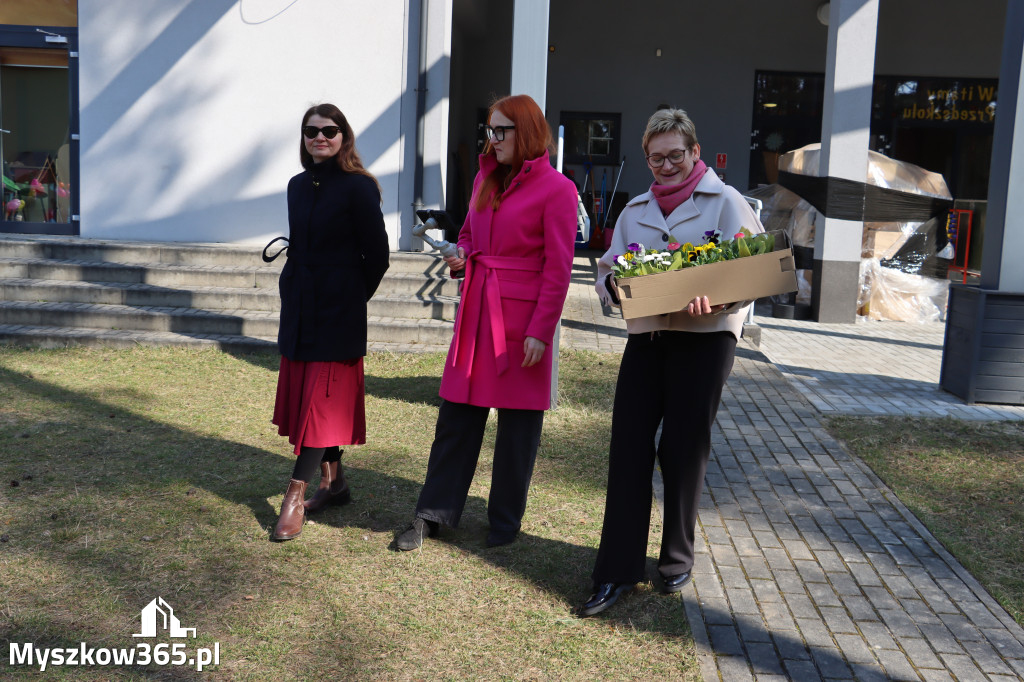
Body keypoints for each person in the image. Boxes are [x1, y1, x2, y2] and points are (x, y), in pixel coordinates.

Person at [579, 108, 765, 615]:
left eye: (675, 155)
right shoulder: (635, 208)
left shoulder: (727, 202)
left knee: (683, 450)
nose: (666, 166)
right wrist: (614, 286)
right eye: (656, 158)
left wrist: (721, 299)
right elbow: (606, 270)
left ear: (695, 152)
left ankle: (676, 558)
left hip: (705, 340)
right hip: (648, 337)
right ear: (646, 159)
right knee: (628, 447)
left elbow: (754, 271)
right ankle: (616, 569)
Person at [395, 94, 578, 551]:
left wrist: (541, 331)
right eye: (489, 130)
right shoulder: (484, 177)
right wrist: (460, 253)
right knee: (456, 417)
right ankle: (431, 513)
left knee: (518, 429)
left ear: (526, 131)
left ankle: (505, 520)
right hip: (477, 312)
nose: (492, 139)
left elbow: (559, 269)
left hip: (524, 322)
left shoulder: (558, 189)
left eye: (501, 130)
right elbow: (468, 234)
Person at [268, 103, 390, 542]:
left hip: (339, 310)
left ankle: (294, 496)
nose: (320, 137)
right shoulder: (297, 185)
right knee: (310, 397)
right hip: (300, 303)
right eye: (311, 131)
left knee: (320, 403)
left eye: (329, 130)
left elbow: (378, 256)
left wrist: (352, 296)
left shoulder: (359, 186)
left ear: (344, 136)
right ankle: (334, 483)